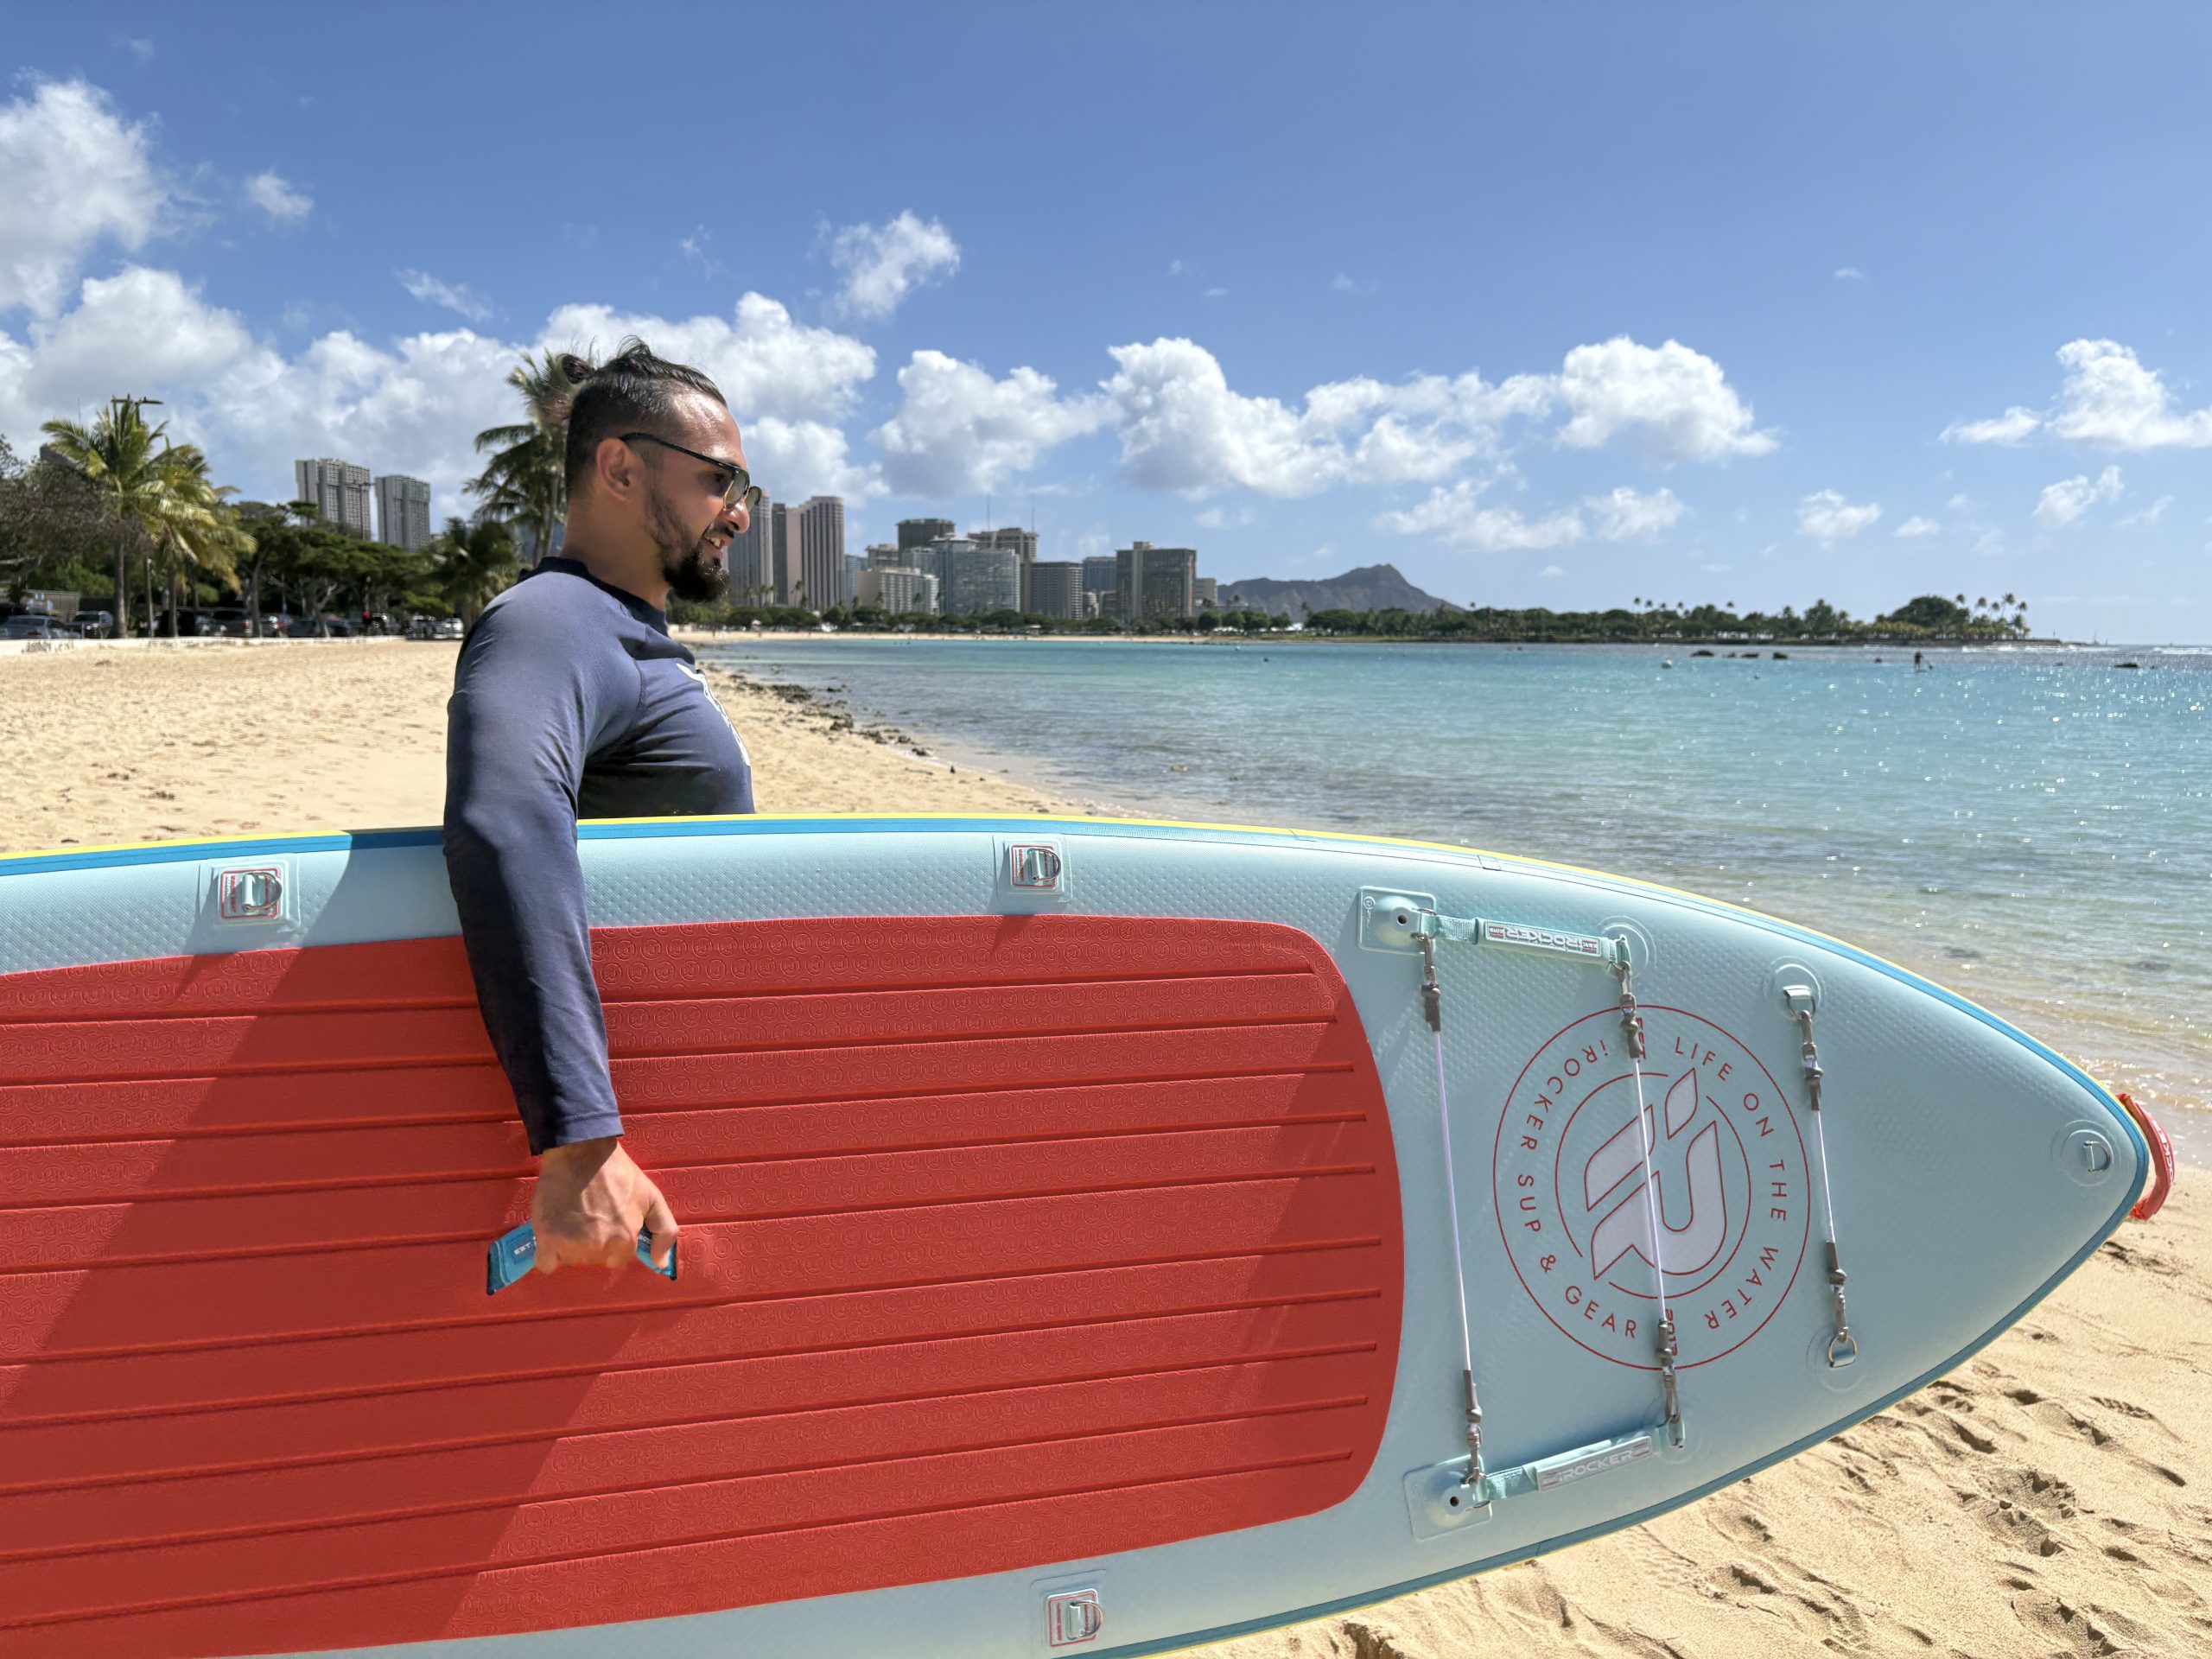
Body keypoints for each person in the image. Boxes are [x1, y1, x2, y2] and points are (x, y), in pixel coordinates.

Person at [442, 338, 760, 1277]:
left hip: (685, 1104)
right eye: (719, 482)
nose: (739, 514)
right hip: (625, 1139)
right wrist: (579, 1144)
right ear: (619, 467)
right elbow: (503, 817)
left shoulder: (617, 629)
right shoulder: (551, 620)